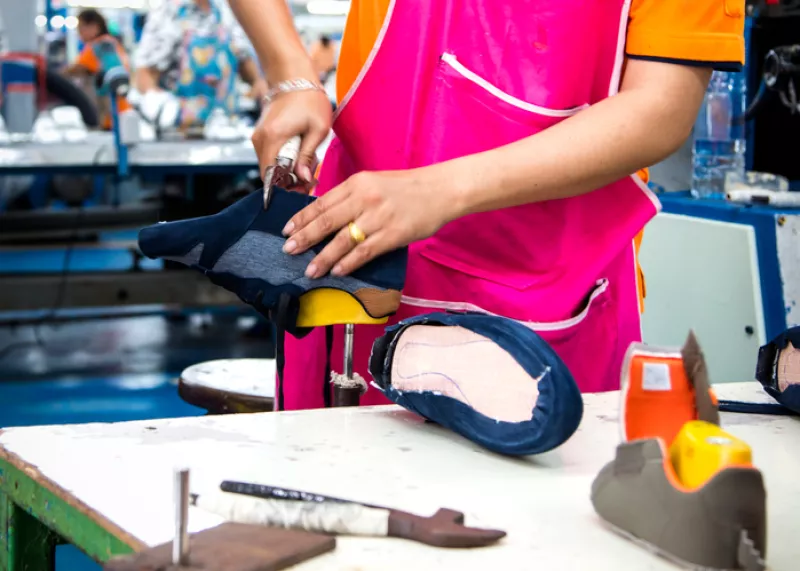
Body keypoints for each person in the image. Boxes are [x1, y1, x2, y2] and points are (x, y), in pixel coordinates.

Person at [228, 0, 746, 410]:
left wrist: (437, 190)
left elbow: (661, 108)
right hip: (354, 287)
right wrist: (290, 74)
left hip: (547, 306)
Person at [133, 0, 267, 128]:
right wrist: (158, 106)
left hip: (227, 128)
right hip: (182, 135)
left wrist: (258, 82)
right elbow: (145, 75)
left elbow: (242, 57)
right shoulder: (168, 11)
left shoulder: (224, 10)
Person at [63, 9, 131, 130]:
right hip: (119, 112)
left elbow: (78, 68)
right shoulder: (110, 42)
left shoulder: (99, 45)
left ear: (94, 26)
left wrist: (55, 75)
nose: (79, 34)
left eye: (81, 28)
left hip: (109, 113)